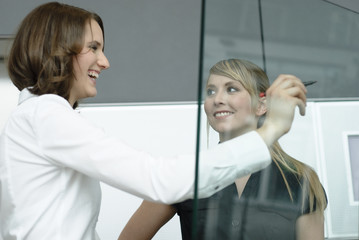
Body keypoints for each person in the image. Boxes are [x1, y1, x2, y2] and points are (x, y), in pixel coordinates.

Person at [0, 2, 307, 239]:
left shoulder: (43, 117)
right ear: (59, 50)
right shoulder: (45, 114)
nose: (105, 62)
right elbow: (161, 181)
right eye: (93, 47)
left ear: (260, 103)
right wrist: (271, 131)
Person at [118, 59, 327, 240]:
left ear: (262, 105)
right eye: (210, 91)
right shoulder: (187, 174)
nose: (217, 99)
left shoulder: (301, 180)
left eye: (232, 89)